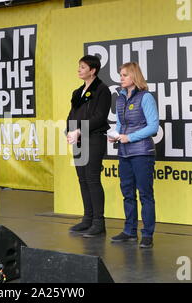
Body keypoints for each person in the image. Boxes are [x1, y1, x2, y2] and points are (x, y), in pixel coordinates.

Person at [109, 62, 159, 248]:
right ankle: (129, 231)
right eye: (120, 75)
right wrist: (115, 136)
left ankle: (147, 234)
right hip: (124, 153)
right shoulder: (120, 98)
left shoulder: (146, 97)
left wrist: (129, 138)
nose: (121, 78)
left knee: (145, 194)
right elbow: (120, 125)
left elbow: (153, 127)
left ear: (134, 77)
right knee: (127, 193)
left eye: (124, 75)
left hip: (142, 153)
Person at [66, 55, 111, 238]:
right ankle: (88, 218)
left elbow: (100, 117)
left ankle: (99, 223)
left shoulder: (102, 90)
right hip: (78, 139)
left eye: (83, 67)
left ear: (93, 70)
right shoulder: (78, 92)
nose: (79, 70)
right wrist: (69, 131)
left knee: (92, 179)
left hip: (94, 138)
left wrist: (80, 131)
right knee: (82, 179)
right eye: (79, 67)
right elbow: (72, 114)